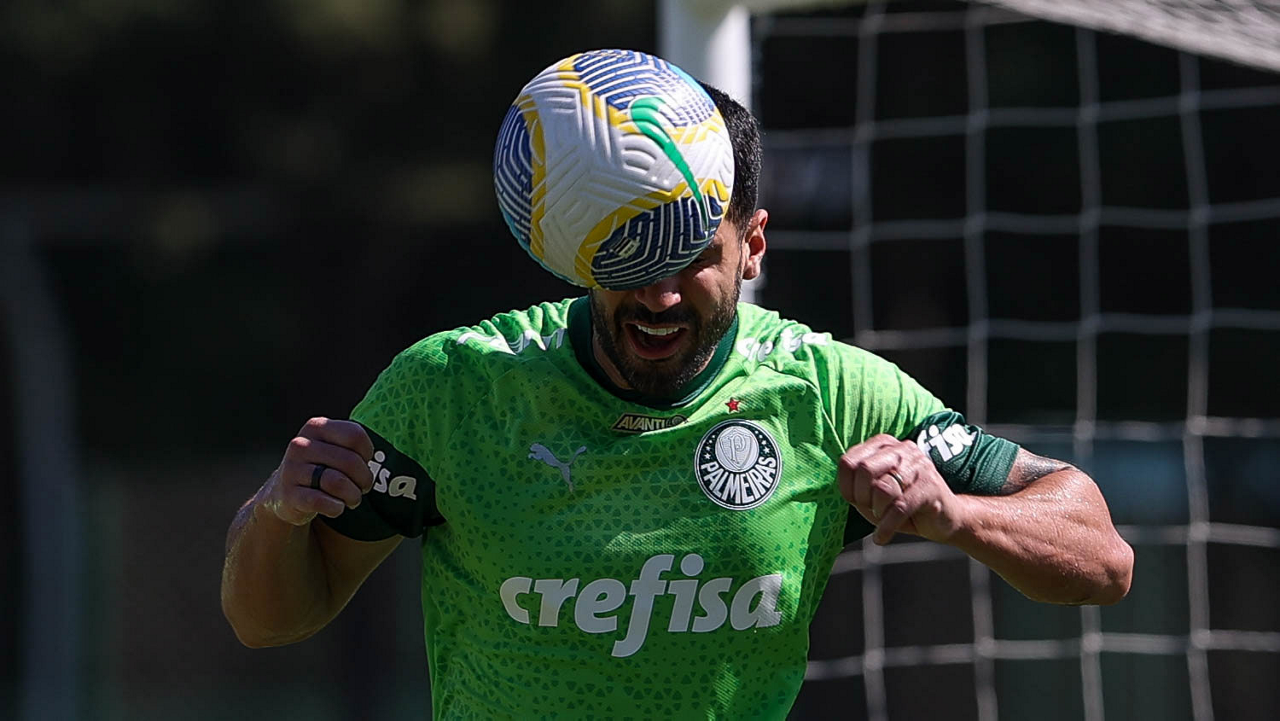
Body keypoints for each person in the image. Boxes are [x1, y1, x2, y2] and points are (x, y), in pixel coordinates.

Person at [221, 82, 1133, 718]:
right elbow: (267, 620)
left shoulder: (829, 393)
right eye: (630, 249)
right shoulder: (457, 387)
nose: (659, 293)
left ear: (753, 244)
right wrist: (276, 512)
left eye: (693, 254)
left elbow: (1103, 554)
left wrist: (958, 514)